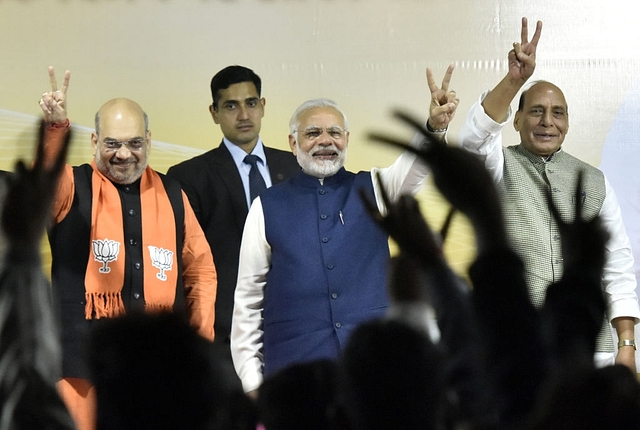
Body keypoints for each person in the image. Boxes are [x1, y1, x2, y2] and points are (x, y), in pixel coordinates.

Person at [230, 65, 459, 396]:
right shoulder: (266, 206)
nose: (326, 140)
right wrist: (252, 381)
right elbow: (248, 299)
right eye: (313, 133)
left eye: (335, 132)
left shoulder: (375, 188)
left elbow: (413, 170)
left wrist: (434, 128)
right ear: (293, 143)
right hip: (295, 374)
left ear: (347, 140)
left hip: (371, 369)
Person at [457, 17, 640, 372]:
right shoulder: (497, 165)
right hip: (519, 347)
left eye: (557, 113)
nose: (547, 122)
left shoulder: (593, 180)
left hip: (592, 348)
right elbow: (472, 141)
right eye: (536, 112)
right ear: (517, 119)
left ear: (568, 123)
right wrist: (514, 82)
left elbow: (617, 265)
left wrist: (627, 344)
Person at [39, 67, 217, 430]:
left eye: (134, 143)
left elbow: (200, 270)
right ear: (93, 142)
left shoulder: (172, 194)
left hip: (161, 373)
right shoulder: (73, 184)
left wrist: (196, 345)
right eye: (112, 143)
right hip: (82, 374)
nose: (124, 154)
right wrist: (55, 131)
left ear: (148, 141)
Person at [166, 66, 300, 351]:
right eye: (231, 106)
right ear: (214, 113)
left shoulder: (296, 167)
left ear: (262, 106)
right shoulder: (189, 177)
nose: (243, 115)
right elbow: (188, 263)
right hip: (225, 332)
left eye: (251, 103)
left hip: (294, 324)